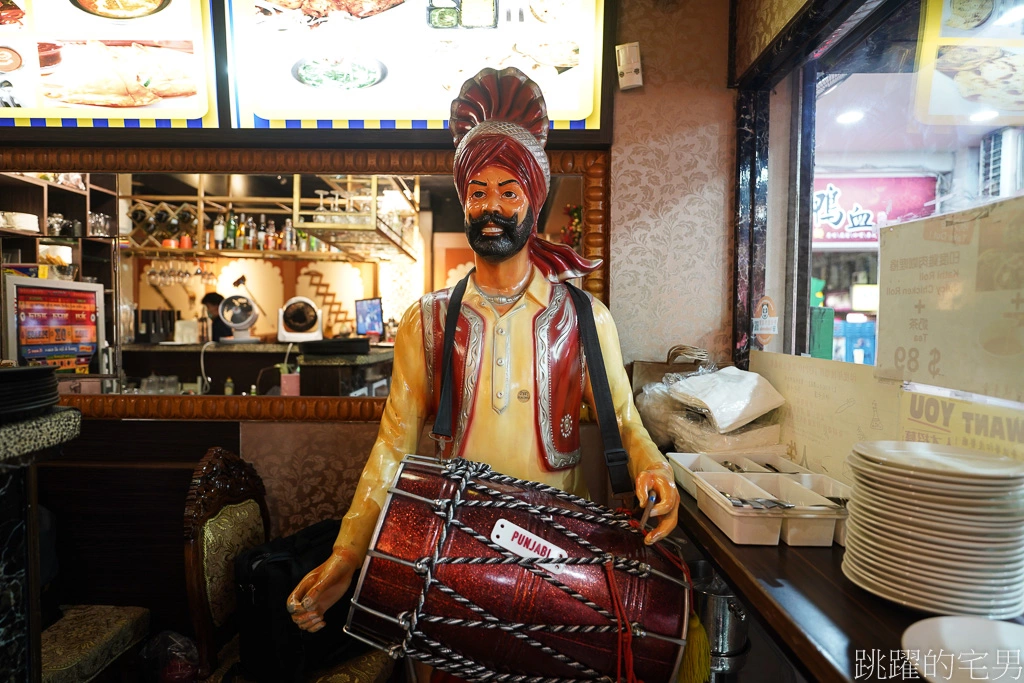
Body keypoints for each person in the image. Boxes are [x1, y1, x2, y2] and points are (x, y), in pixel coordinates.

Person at [287, 67, 679, 638]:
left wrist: (654, 469)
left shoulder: (584, 318)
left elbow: (622, 418)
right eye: (478, 192)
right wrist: (349, 553)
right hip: (455, 555)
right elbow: (393, 446)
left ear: (534, 202)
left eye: (508, 191)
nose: (491, 207)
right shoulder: (427, 321)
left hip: (560, 556)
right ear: (463, 201)